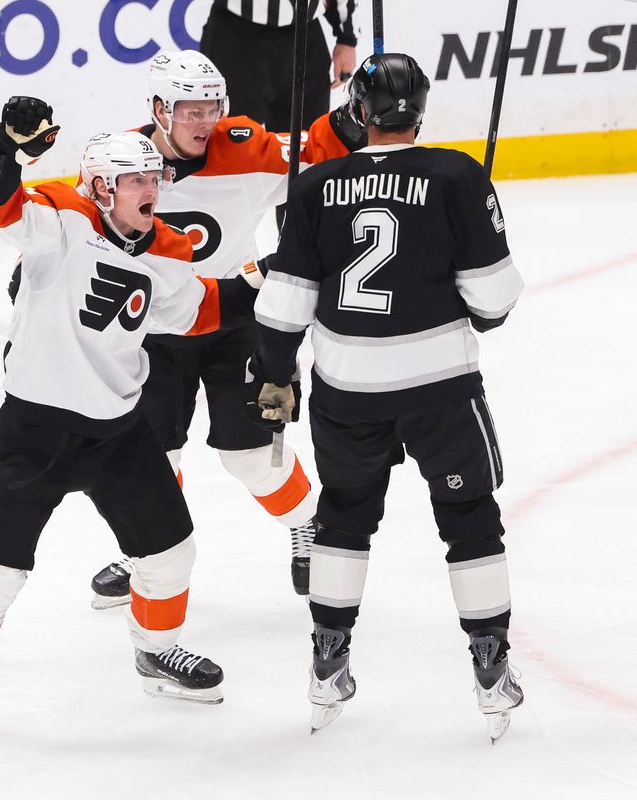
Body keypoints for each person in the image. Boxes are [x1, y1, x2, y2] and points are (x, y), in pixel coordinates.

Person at [0, 97, 266, 733]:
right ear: (99, 187)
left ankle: (154, 653)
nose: (152, 189)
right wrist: (5, 149)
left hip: (119, 432)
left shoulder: (169, 248)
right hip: (34, 432)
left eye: (155, 178)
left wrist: (266, 282)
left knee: (172, 553)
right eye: (136, 181)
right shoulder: (58, 219)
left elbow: (197, 312)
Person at [246, 53, 528, 741]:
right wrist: (479, 311)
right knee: (468, 513)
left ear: (359, 111)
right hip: (439, 388)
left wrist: (275, 373)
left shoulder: (315, 185)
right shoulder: (458, 175)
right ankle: (490, 663)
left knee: (343, 518)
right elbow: (495, 298)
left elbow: (284, 301)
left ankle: (327, 658)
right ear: (420, 108)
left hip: (348, 392)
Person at [82, 49, 368, 608]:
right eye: (191, 110)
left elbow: (315, 149)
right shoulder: (120, 162)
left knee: (250, 457)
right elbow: (85, 233)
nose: (205, 121)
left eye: (212, 107)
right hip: (151, 331)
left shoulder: (246, 147)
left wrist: (352, 115)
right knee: (150, 459)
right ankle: (147, 547)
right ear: (160, 108)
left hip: (234, 319)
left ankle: (308, 525)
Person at [199, 0, 358, 130]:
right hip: (236, 33)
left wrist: (347, 37)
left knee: (306, 143)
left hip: (305, 32)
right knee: (228, 139)